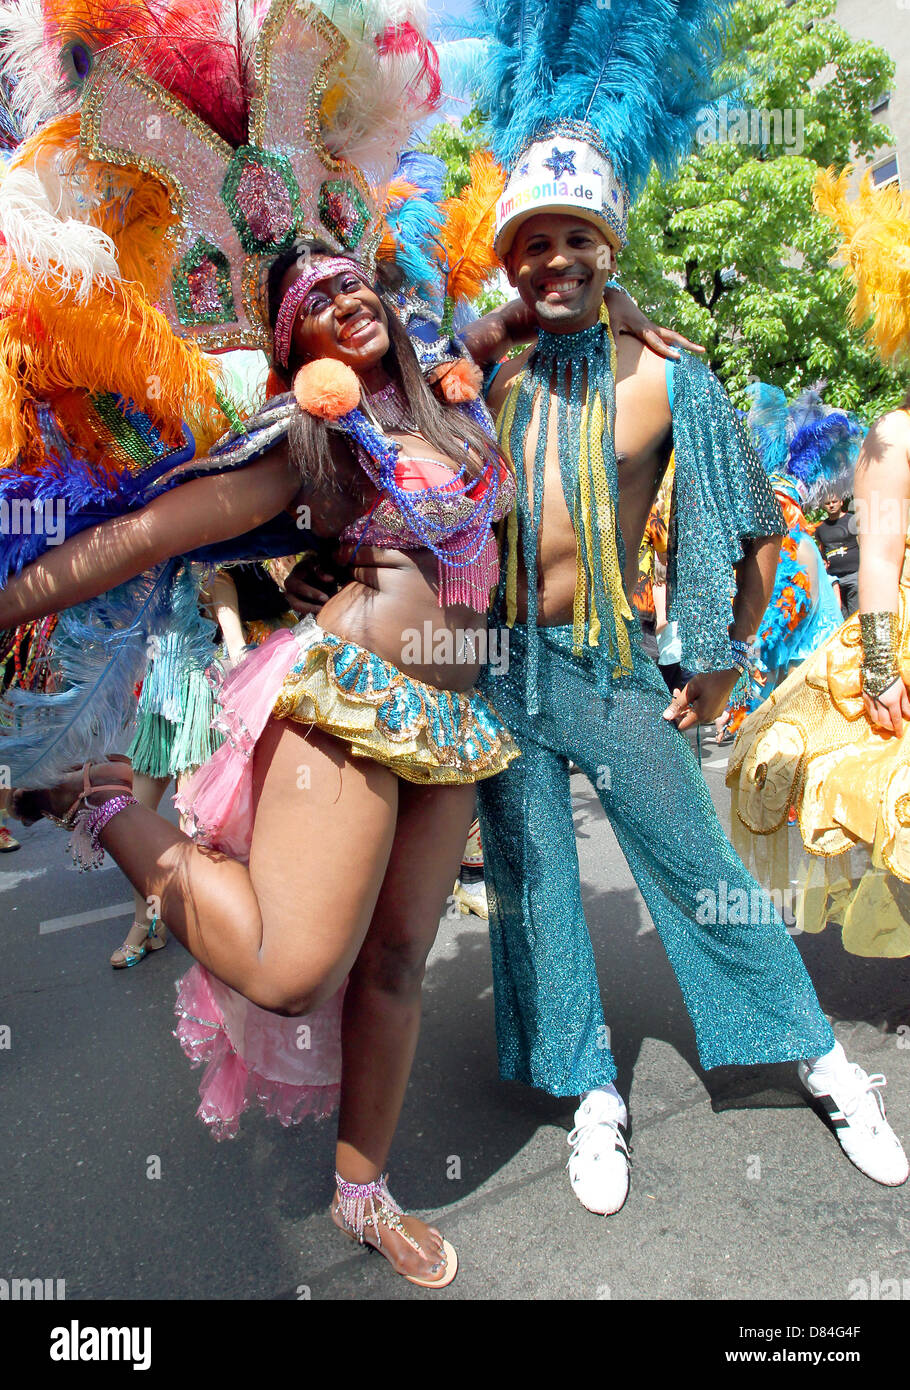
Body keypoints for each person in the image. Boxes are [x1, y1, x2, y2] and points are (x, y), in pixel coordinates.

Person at [446, 0, 908, 1218]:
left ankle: (819, 1059)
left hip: (607, 663)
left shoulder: (668, 376)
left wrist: (723, 656)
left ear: (610, 249)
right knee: (535, 882)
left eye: (575, 243)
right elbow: (401, 432)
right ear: (512, 263)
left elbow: (750, 522)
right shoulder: (482, 377)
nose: (553, 263)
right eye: (530, 246)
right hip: (498, 664)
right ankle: (591, 1091)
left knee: (695, 864)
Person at [817, 495, 860, 618]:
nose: (831, 505)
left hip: (854, 575)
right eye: (827, 503)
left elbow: (862, 542)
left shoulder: (852, 520)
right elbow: (822, 549)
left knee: (855, 617)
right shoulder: (820, 528)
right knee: (840, 617)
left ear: (841, 502)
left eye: (834, 502)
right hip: (834, 579)